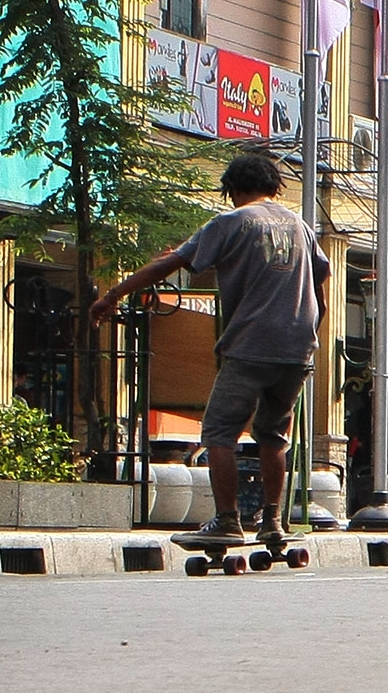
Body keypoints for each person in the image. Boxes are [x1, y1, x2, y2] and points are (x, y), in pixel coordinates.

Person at [95, 151, 328, 549]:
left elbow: (172, 263)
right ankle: (273, 521)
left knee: (219, 432)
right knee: (273, 436)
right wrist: (305, 337)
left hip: (250, 346)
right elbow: (320, 291)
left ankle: (227, 520)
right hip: (297, 349)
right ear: (275, 187)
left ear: (233, 190)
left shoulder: (232, 222)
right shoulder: (301, 227)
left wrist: (114, 294)